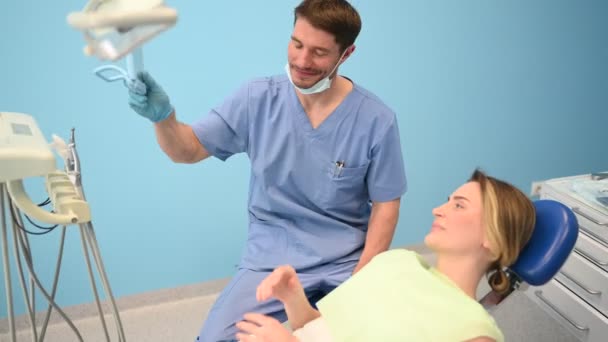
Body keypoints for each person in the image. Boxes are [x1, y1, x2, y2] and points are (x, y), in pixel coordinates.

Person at [126, 1, 407, 340]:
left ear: (345, 55)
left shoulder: (376, 119)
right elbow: (186, 150)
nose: (302, 62)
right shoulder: (257, 99)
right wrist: (163, 117)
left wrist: (363, 280)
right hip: (271, 257)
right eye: (297, 44)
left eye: (319, 53)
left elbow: (386, 206)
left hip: (346, 261)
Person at [234, 169, 536, 342]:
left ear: (492, 239)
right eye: (447, 201)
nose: (438, 210)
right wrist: (294, 300)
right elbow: (320, 328)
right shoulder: (395, 262)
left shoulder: (474, 332)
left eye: (458, 205)